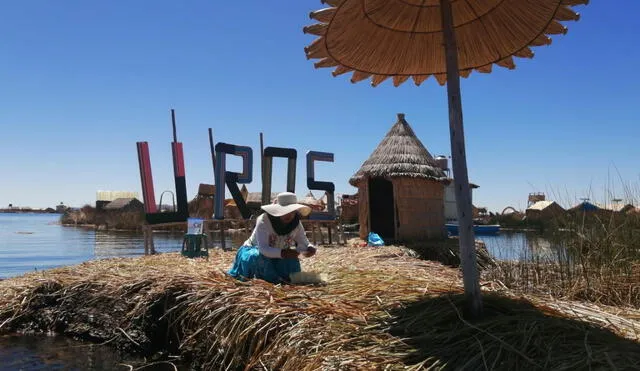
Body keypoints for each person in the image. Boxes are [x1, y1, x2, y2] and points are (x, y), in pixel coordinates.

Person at [228, 192, 317, 284]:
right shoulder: (264, 220)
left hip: (280, 252)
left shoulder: (296, 224)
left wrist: (309, 248)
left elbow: (303, 242)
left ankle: (283, 278)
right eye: (285, 211)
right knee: (258, 257)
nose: (289, 215)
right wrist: (284, 253)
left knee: (292, 260)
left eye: (292, 212)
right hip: (255, 250)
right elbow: (263, 249)